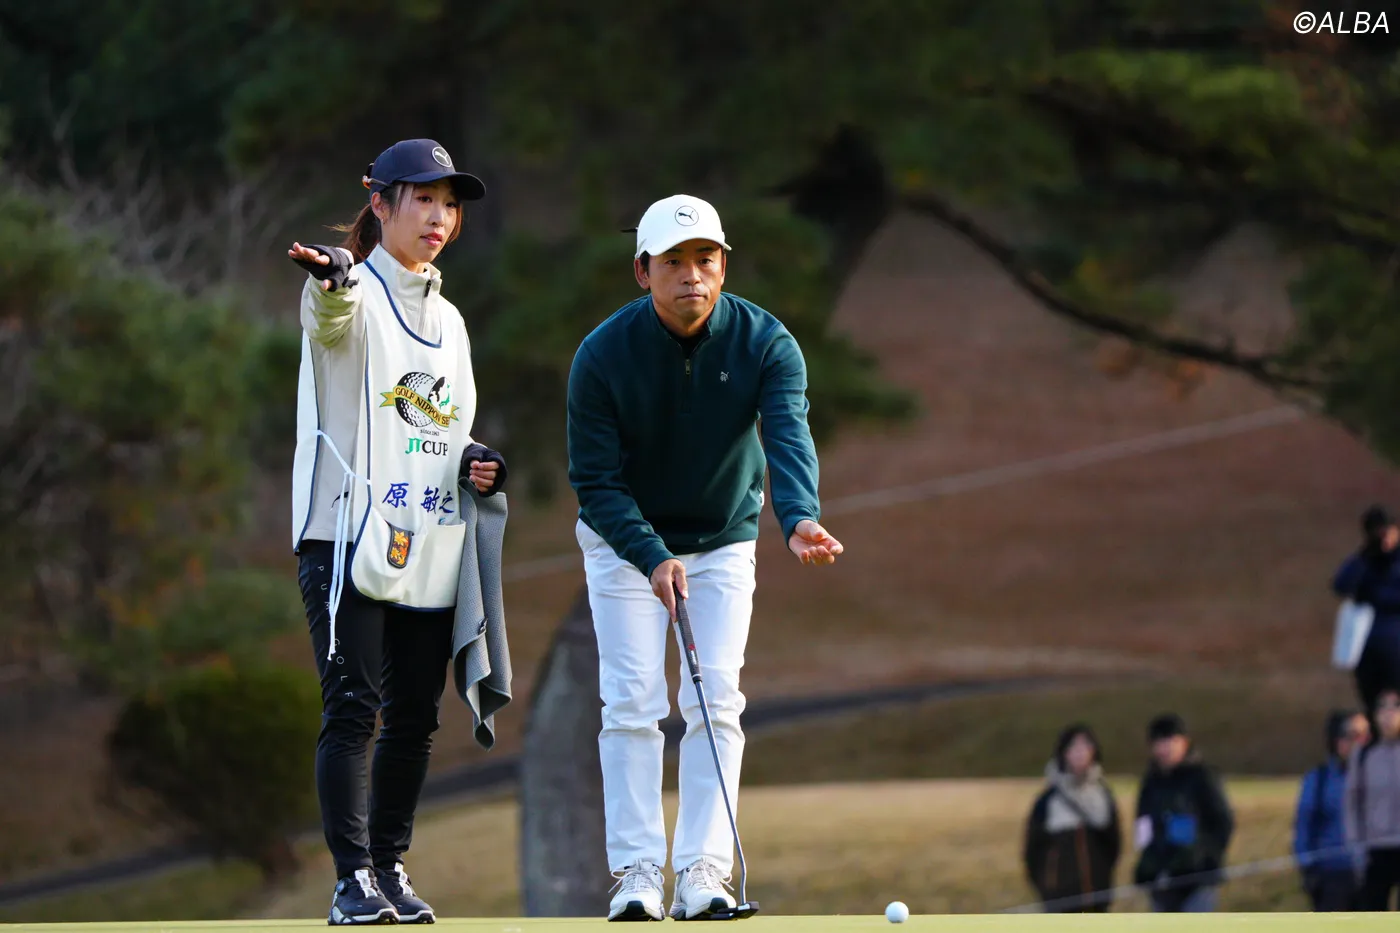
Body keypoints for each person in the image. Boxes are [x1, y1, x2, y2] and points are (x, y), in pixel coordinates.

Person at [566, 194, 845, 921]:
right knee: (632, 702)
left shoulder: (766, 342)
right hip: (622, 544)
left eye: (705, 259)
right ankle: (635, 872)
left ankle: (703, 872)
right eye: (673, 262)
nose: (691, 274)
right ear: (642, 271)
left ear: (724, 265)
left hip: (721, 538)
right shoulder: (601, 355)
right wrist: (651, 554)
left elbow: (788, 433)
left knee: (716, 699)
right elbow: (594, 480)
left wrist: (799, 515)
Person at [287, 138, 506, 925]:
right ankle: (351, 880)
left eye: (450, 204)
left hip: (428, 539)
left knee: (415, 716)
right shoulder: (348, 290)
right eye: (423, 199)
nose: (439, 217)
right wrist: (334, 280)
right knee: (353, 708)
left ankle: (388, 868)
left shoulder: (451, 320)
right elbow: (331, 315)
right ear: (379, 203)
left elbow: (447, 428)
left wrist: (475, 460)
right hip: (344, 537)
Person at [1132, 714, 1235, 913]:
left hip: (1197, 882)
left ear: (1184, 742)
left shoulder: (1203, 776)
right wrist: (1146, 865)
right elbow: (1143, 825)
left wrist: (1208, 858)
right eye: (1159, 742)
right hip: (1160, 881)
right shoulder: (1150, 782)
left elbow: (1223, 821)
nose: (1165, 748)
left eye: (1171, 741)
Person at [1023, 724, 1123, 913]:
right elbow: (1033, 852)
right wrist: (1047, 890)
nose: (1080, 753)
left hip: (1097, 901)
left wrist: (1103, 882)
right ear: (1063, 752)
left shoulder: (1103, 797)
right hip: (1059, 904)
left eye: (1085, 746)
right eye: (1073, 747)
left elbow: (1114, 845)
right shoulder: (1048, 801)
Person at [1295, 709, 1370, 910]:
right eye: (1352, 735)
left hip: (1374, 875)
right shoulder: (1319, 780)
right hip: (1332, 876)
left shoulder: (1380, 777)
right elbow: (1304, 827)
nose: (1359, 742)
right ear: (1336, 740)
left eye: (1365, 735)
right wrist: (1308, 868)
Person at [1333, 505, 1400, 719]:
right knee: (1373, 706)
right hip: (1367, 646)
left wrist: (1376, 596)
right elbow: (1341, 584)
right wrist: (1365, 555)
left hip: (1395, 644)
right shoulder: (1365, 561)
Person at [1345, 688, 1400, 910]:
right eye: (1382, 707)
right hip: (1375, 849)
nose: (1389, 713)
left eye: (1395, 706)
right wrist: (1356, 845)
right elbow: (1352, 803)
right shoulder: (1364, 754)